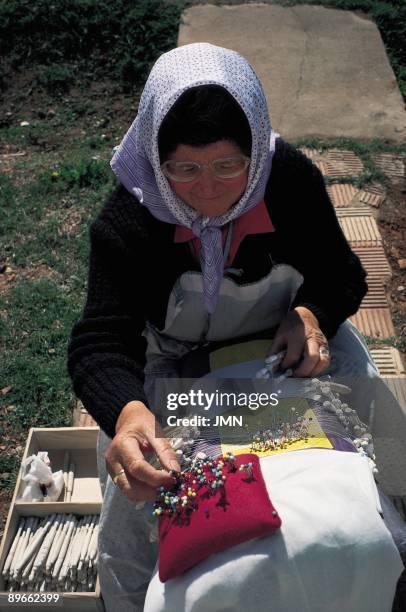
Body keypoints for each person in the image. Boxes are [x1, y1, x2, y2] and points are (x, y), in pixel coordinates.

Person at [68, 43, 403, 611]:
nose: (208, 189)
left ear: (256, 153)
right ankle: (131, 598)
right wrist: (128, 414)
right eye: (184, 169)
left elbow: (341, 274)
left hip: (280, 344)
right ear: (155, 158)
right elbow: (101, 340)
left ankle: (390, 540)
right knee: (136, 488)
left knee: (372, 445)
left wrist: (313, 315)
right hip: (172, 359)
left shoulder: (288, 179)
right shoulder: (128, 221)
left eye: (228, 165)